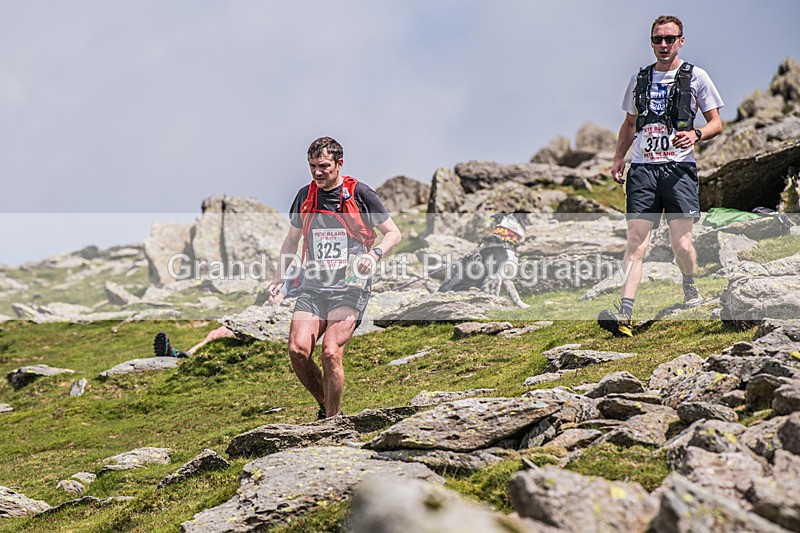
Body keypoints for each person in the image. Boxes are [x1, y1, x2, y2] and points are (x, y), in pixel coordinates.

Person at [598, 15, 723, 337]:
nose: (663, 45)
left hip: (679, 169)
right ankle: (624, 312)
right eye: (657, 39)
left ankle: (689, 284)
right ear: (651, 42)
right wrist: (618, 158)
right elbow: (629, 124)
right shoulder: (639, 79)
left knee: (681, 244)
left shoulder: (697, 77)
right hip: (642, 169)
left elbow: (716, 122)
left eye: (670, 39)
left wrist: (696, 135)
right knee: (636, 243)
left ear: (681, 40)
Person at [267, 136, 401, 419]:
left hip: (350, 284)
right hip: (314, 285)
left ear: (339, 164)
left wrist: (373, 255)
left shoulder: (361, 194)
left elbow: (394, 233)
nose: (317, 172)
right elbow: (291, 241)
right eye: (312, 165)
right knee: (297, 351)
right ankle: (327, 407)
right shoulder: (305, 196)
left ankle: (331, 422)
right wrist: (280, 276)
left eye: (324, 166)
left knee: (330, 352)